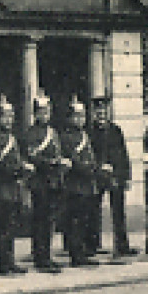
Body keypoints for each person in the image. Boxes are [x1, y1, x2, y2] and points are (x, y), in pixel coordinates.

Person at [0, 97, 31, 276]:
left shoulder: (12, 137)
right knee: (2, 227)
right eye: (5, 117)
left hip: (12, 189)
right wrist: (20, 168)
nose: (8, 120)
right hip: (1, 188)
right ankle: (3, 264)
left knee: (10, 226)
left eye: (11, 116)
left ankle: (9, 261)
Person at [22, 95, 66, 274]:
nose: (44, 115)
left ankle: (46, 255)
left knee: (49, 221)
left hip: (53, 181)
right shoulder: (31, 134)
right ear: (35, 114)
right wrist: (54, 163)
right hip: (40, 182)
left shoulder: (53, 133)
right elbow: (34, 157)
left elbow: (58, 151)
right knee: (40, 220)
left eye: (47, 111)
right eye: (41, 112)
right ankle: (40, 258)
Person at [89, 96, 137, 258]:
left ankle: (122, 246)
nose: (101, 113)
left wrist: (127, 176)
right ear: (94, 112)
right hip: (97, 175)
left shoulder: (116, 130)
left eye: (103, 110)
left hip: (115, 176)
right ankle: (93, 245)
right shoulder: (89, 131)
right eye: (98, 111)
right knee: (93, 210)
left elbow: (123, 154)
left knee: (118, 211)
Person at [62, 98, 103, 268]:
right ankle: (76, 255)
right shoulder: (66, 137)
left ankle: (83, 251)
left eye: (82, 116)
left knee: (85, 219)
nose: (80, 120)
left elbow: (90, 156)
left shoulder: (85, 135)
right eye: (76, 116)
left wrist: (93, 167)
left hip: (87, 184)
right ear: (70, 118)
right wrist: (89, 168)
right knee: (75, 221)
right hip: (75, 184)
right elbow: (74, 161)